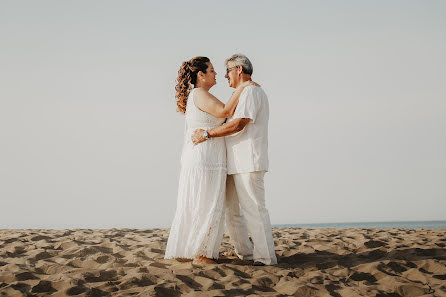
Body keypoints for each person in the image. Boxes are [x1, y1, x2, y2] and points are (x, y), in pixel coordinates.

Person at [164, 56, 258, 265]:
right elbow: (225, 112)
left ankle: (202, 250)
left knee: (209, 203)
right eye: (212, 70)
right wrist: (244, 87)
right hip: (203, 159)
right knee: (205, 203)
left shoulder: (203, 94)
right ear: (201, 75)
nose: (217, 74)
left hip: (210, 158)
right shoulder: (199, 94)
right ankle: (201, 253)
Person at [192, 54, 277, 265]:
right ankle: (245, 253)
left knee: (254, 209)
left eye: (228, 70)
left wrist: (207, 134)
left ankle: (266, 258)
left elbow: (239, 124)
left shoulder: (252, 91)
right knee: (232, 212)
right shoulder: (243, 93)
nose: (224, 75)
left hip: (248, 160)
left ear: (239, 69)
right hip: (233, 163)